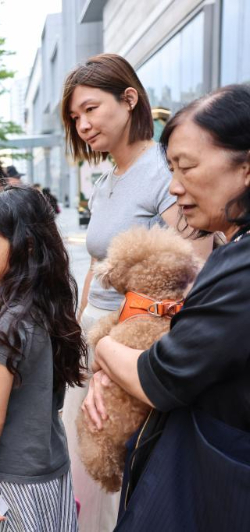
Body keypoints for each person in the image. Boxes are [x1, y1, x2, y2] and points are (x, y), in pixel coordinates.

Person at [82, 84, 250, 530]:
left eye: (187, 167)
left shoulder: (242, 266)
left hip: (216, 480)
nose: (174, 187)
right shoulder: (232, 249)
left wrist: (104, 349)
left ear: (246, 167)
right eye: (172, 169)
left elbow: (161, 377)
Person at [60, 53, 212, 532]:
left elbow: (193, 271)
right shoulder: (107, 179)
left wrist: (120, 353)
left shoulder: (163, 173)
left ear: (129, 99)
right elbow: (99, 262)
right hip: (97, 335)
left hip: (134, 345)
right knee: (85, 466)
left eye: (90, 109)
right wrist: (78, 330)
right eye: (75, 117)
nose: (83, 125)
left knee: (116, 472)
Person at [0, 187, 87, 532]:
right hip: (49, 466)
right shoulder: (51, 305)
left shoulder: (8, 324)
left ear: (27, 246)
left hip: (6, 477)